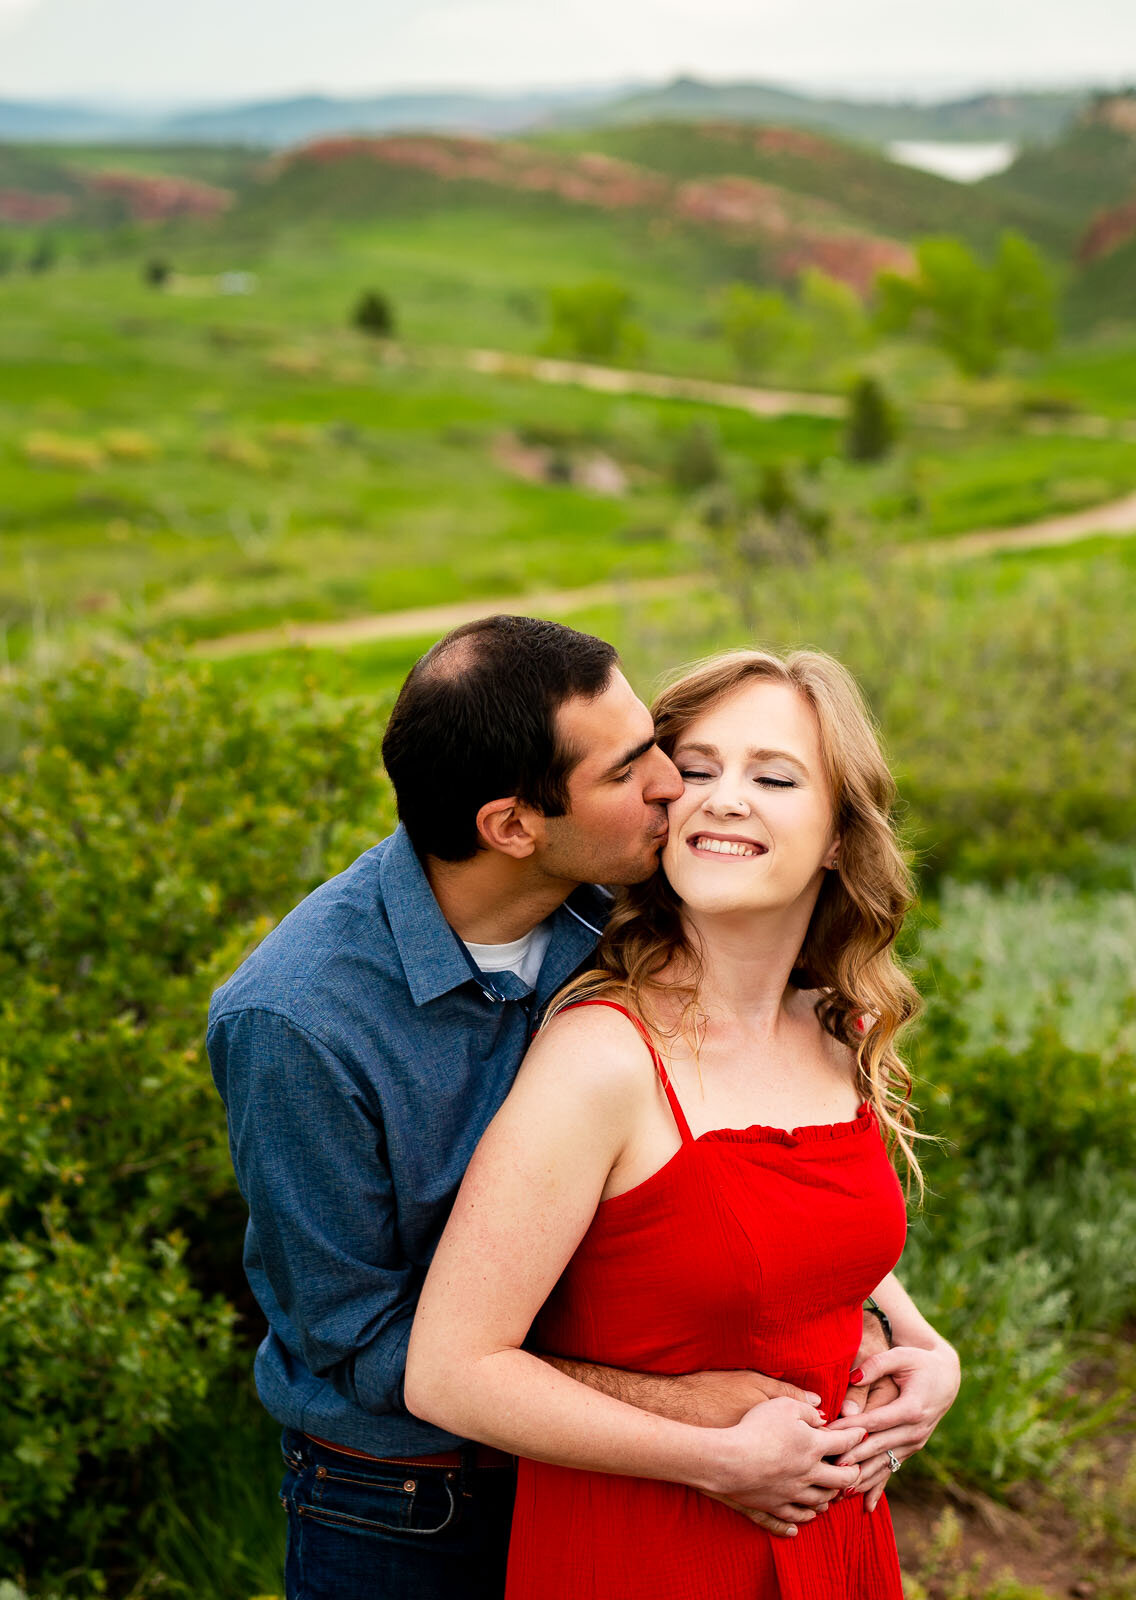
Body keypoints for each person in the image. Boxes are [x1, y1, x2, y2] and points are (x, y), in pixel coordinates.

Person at [208, 618, 922, 1600]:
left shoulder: (611, 899)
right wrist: (685, 1414)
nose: (677, 789)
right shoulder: (296, 1021)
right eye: (640, 767)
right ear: (513, 826)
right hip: (410, 1506)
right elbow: (379, 1352)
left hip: (644, 1477)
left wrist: (906, 1337)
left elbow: (743, 1190)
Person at [405, 647, 959, 1598]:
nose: (721, 799)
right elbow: (450, 1373)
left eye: (774, 776)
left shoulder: (838, 1029)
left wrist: (924, 1347)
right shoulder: (604, 1057)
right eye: (693, 770)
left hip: (834, 1543)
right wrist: (713, 1459)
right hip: (647, 1549)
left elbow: (790, 1241)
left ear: (838, 836)